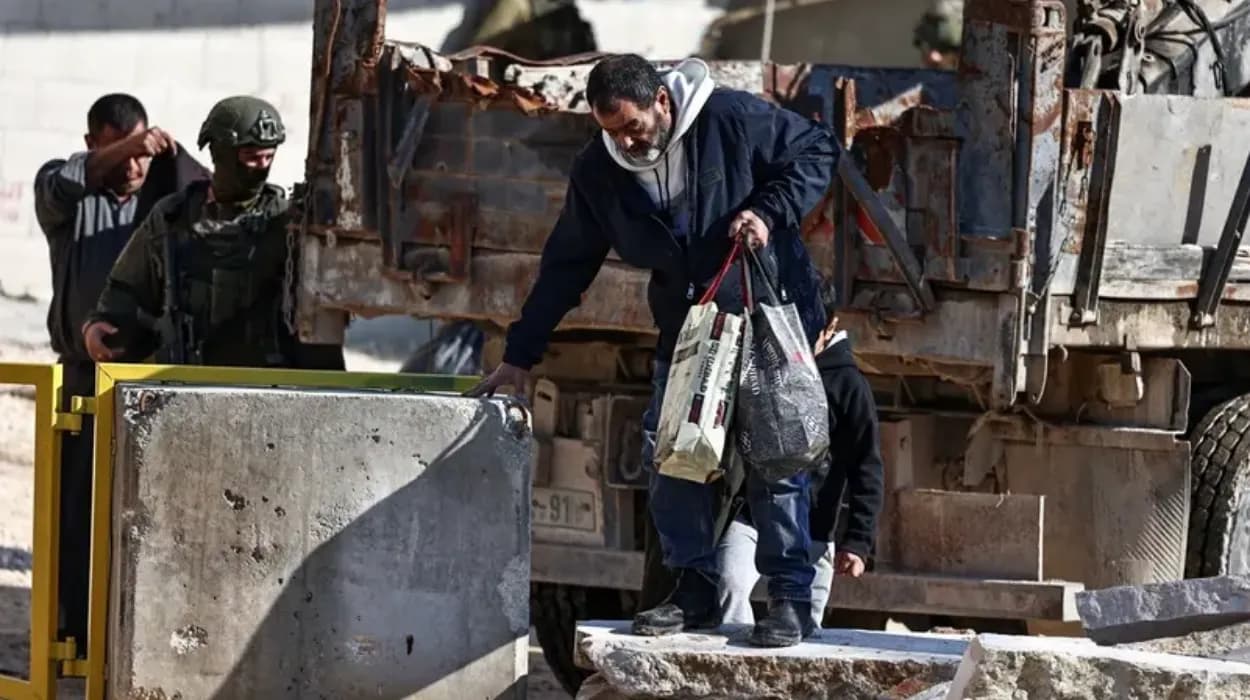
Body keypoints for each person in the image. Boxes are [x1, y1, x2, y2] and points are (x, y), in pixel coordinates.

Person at [468, 54, 836, 646]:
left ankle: (790, 597)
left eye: (632, 127)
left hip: (765, 318)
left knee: (779, 456)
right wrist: (520, 356)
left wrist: (767, 212)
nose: (625, 141)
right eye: (610, 131)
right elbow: (567, 265)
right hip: (690, 333)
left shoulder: (730, 118)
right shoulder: (600, 171)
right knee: (676, 460)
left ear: (662, 102)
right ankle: (692, 592)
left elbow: (819, 150)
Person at [33, 92, 209, 647]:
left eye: (141, 156)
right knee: (75, 515)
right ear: (93, 145)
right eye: (121, 152)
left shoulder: (162, 198)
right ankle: (72, 636)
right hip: (82, 379)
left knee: (139, 517)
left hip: (145, 381)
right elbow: (66, 182)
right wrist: (135, 143)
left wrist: (170, 155)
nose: (134, 167)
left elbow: (210, 193)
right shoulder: (64, 194)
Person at [82, 95, 345, 371]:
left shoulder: (286, 223)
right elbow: (127, 290)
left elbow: (318, 319)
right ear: (221, 153)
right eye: (251, 157)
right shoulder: (173, 217)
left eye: (268, 157)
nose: (261, 167)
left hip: (266, 389)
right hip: (185, 380)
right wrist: (98, 326)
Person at [717, 313, 885, 630]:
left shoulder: (848, 385)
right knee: (727, 583)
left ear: (830, 327)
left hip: (812, 528)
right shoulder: (766, 361)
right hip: (752, 514)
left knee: (803, 628)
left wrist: (858, 542)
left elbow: (867, 466)